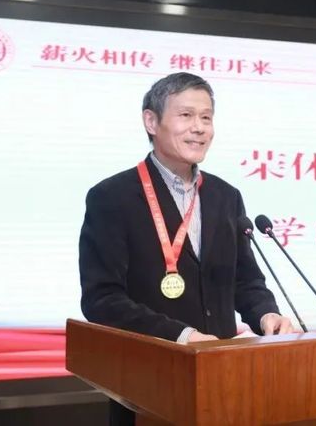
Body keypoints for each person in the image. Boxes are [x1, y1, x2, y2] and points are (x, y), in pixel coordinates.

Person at [78, 72, 298, 425]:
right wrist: (183, 337)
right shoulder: (112, 197)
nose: (199, 128)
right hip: (148, 387)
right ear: (151, 122)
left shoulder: (225, 196)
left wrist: (265, 315)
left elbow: (245, 282)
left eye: (206, 117)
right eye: (186, 115)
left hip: (224, 382)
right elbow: (101, 300)